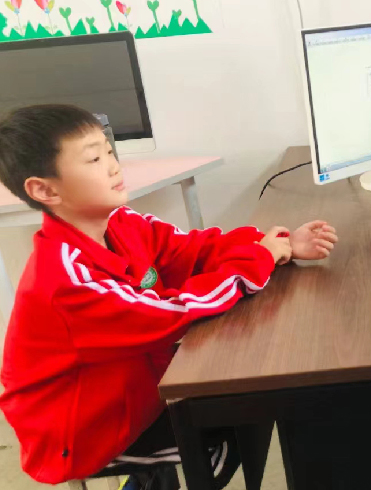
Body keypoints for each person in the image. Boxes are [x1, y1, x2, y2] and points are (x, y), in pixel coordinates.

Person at [0, 104, 338, 488]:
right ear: (44, 189)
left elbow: (193, 249)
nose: (113, 166)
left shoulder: (123, 222)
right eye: (94, 159)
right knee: (227, 431)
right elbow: (171, 312)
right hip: (80, 432)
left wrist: (276, 245)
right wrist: (260, 258)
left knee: (245, 394)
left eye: (109, 151)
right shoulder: (66, 280)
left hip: (131, 382)